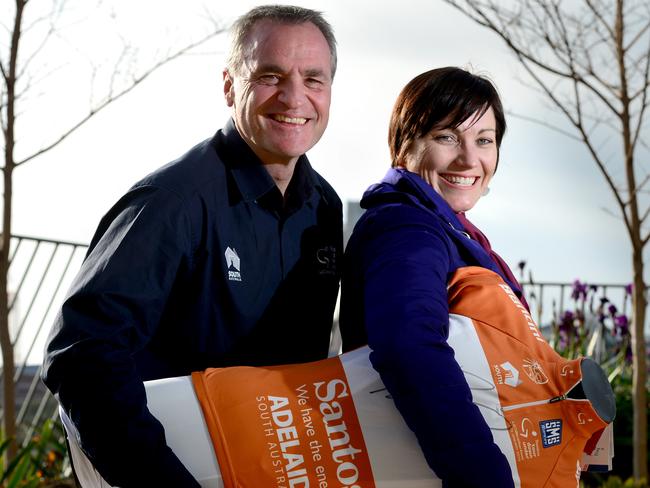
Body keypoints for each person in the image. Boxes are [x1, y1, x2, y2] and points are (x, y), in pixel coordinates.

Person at [42, 5, 342, 487]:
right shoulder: (173, 201)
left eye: (314, 79)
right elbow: (81, 354)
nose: (294, 96)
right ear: (230, 85)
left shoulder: (325, 208)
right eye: (270, 75)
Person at [339, 67, 527, 487]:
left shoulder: (448, 227)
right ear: (404, 145)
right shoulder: (408, 227)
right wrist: (484, 476)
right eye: (446, 137)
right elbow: (409, 348)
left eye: (484, 140)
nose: (469, 158)